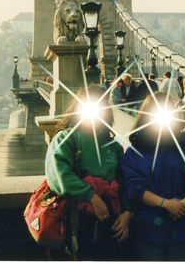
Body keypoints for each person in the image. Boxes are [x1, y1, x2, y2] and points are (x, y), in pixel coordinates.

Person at [121, 93, 185, 261]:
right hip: (149, 232)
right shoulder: (134, 151)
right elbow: (133, 188)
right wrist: (167, 204)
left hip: (181, 228)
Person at [44, 86, 132, 260]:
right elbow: (58, 174)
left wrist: (127, 213)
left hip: (114, 224)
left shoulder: (114, 146)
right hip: (80, 222)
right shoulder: (67, 138)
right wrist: (91, 197)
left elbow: (125, 182)